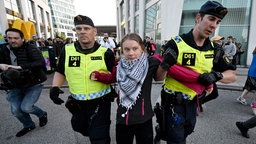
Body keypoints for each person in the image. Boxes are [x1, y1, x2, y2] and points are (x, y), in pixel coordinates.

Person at [156, 1, 236, 143]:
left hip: (193, 103)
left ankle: (162, 131)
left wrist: (217, 75)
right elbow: (158, 77)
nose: (214, 26)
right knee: (177, 140)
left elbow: (232, 75)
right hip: (172, 103)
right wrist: (165, 64)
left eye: (218, 22)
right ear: (198, 18)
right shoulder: (176, 44)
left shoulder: (215, 49)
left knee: (187, 131)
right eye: (211, 19)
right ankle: (164, 130)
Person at [49, 15, 116, 144]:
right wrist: (55, 87)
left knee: (99, 137)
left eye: (86, 28)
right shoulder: (67, 50)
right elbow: (60, 71)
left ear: (94, 31)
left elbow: (114, 76)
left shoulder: (106, 52)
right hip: (77, 102)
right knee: (79, 127)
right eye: (79, 28)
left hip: (100, 102)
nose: (82, 31)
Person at [90, 33, 162, 144]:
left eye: (135, 48)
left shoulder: (150, 63)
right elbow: (112, 78)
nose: (131, 53)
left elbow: (164, 72)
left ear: (142, 49)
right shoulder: (119, 65)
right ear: (122, 51)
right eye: (127, 49)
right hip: (123, 118)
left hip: (144, 118)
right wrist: (99, 76)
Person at [0, 28, 47, 137]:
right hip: (14, 85)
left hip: (33, 83)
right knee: (16, 110)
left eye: (16, 38)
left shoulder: (30, 48)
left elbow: (40, 62)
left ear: (22, 39)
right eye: (10, 38)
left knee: (26, 107)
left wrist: (19, 67)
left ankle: (42, 114)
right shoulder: (3, 49)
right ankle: (28, 125)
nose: (13, 41)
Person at [236, 47, 256, 114]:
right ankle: (254, 105)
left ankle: (241, 98)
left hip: (251, 73)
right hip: (254, 74)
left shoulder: (254, 53)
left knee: (248, 87)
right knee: (252, 88)